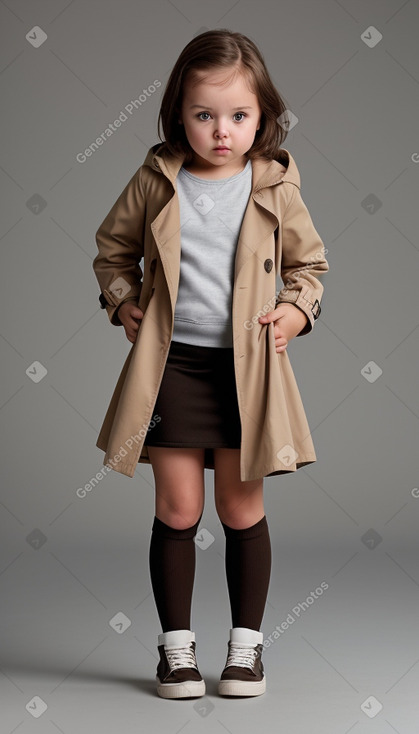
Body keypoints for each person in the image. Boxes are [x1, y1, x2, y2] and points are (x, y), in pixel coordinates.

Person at [92, 28, 329, 700]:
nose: (221, 131)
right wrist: (124, 303)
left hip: (245, 374)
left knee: (239, 506)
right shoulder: (155, 180)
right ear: (177, 115)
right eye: (203, 115)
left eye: (238, 116)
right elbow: (112, 254)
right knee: (176, 508)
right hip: (171, 369)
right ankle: (175, 654)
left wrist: (294, 312)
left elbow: (308, 266)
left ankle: (246, 652)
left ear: (262, 117)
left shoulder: (275, 184)